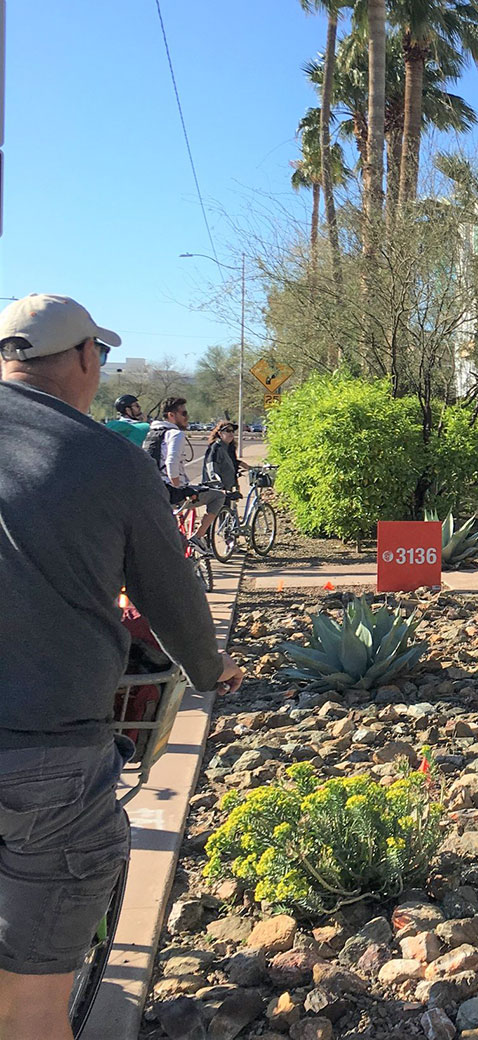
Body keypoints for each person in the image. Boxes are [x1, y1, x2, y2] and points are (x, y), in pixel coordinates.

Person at [0, 293, 243, 1040]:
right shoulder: (107, 459)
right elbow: (172, 599)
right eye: (98, 357)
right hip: (44, 753)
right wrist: (210, 670)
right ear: (79, 358)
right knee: (30, 1004)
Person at [143, 396, 225, 553]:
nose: (187, 418)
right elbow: (171, 463)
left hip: (152, 489)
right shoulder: (175, 434)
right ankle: (198, 537)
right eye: (184, 413)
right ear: (171, 415)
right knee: (218, 496)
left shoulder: (152, 433)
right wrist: (179, 487)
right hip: (171, 491)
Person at [202, 420, 246, 493]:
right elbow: (212, 470)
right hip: (217, 491)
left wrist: (250, 468)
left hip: (228, 487)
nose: (231, 433)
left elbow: (234, 462)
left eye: (232, 431)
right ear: (220, 433)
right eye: (228, 431)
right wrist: (219, 488)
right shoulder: (216, 448)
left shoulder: (229, 447)